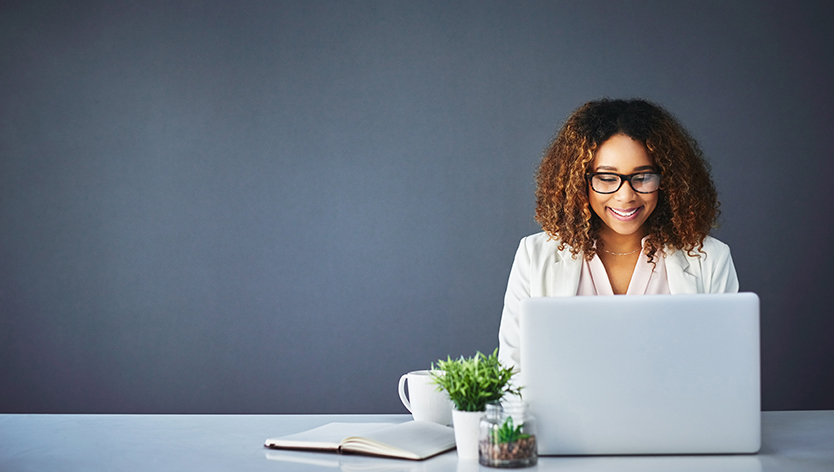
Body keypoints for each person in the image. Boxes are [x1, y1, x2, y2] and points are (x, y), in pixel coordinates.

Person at [497, 98, 739, 369]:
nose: (625, 196)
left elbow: (726, 368)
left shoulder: (711, 259)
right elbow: (513, 370)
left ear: (668, 181)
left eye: (642, 177)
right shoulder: (534, 256)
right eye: (606, 178)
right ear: (579, 181)